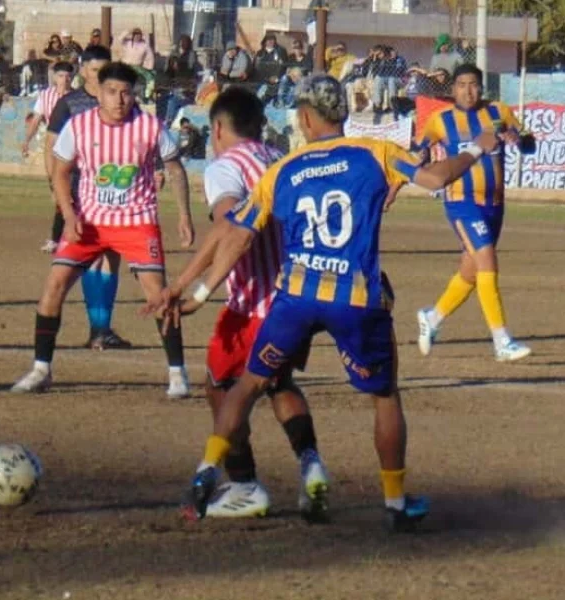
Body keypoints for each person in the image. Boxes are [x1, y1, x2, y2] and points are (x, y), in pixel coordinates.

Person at [148, 74, 497, 530]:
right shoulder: (376, 153)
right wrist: (476, 148)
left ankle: (203, 477)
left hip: (294, 297)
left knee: (248, 386)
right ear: (343, 114)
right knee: (385, 396)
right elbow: (433, 179)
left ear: (305, 118)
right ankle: (395, 504)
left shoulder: (284, 169)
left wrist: (197, 292)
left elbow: (236, 233)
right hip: (355, 298)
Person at [168, 87, 330, 519]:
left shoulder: (224, 168)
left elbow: (229, 227)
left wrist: (195, 288)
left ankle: (244, 485)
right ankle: (312, 466)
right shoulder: (282, 159)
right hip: (297, 298)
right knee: (279, 384)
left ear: (217, 127)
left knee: (220, 386)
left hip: (252, 305)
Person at [12, 61, 195, 398]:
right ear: (99, 93)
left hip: (137, 222)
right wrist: (69, 215)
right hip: (91, 223)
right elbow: (61, 172)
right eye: (112, 92)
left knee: (158, 295)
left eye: (126, 92)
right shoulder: (79, 126)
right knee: (53, 286)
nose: (119, 99)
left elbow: (174, 168)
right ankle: (41, 369)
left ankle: (177, 374)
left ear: (134, 94)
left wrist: (184, 215)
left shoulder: (150, 126)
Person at [415, 64, 533, 362]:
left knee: (471, 270)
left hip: (494, 204)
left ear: (482, 87)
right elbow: (418, 151)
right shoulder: (440, 120)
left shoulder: (499, 112)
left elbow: (529, 142)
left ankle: (433, 318)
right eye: (462, 84)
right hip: (460, 202)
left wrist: (516, 139)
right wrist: (420, 159)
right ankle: (501, 340)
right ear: (452, 89)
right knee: (487, 258)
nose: (468, 90)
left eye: (473, 84)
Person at [34, 45, 132, 351]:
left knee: (110, 259)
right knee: (90, 258)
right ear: (83, 69)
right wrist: (55, 186)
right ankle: (98, 327)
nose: (99, 76)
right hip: (78, 192)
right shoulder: (70, 104)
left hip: (114, 192)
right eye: (94, 70)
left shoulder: (122, 104)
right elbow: (52, 146)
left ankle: (102, 327)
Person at [22, 61, 74, 252]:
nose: (65, 80)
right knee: (56, 191)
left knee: (67, 192)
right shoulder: (45, 96)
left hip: (73, 149)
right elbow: (36, 119)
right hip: (52, 147)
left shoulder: (76, 97)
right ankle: (61, 236)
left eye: (68, 76)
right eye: (61, 76)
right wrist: (27, 140)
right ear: (54, 77)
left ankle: (58, 238)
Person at [162, 34, 198, 127]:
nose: (182, 45)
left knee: (172, 101)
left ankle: (168, 122)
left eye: (185, 42)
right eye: (181, 42)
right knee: (166, 98)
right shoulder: (175, 55)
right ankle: (165, 120)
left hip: (186, 91)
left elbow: (190, 69)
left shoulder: (191, 55)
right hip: (176, 87)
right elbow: (167, 72)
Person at [119, 28, 155, 100]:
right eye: (135, 34)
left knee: (151, 78)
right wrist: (129, 31)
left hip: (138, 67)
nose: (137, 36)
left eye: (138, 34)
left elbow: (150, 57)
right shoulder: (127, 43)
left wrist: (148, 68)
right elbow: (120, 38)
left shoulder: (144, 45)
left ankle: (146, 97)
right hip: (125, 66)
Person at [276, 39, 312, 108]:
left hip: (301, 81)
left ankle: (289, 105)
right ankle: (280, 101)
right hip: (291, 77)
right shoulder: (291, 57)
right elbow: (288, 70)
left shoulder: (306, 58)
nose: (297, 50)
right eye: (295, 48)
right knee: (284, 78)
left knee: (294, 89)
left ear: (302, 49)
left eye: (299, 48)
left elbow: (309, 73)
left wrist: (300, 77)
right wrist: (292, 74)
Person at [253, 33, 287, 105]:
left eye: (272, 40)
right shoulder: (260, 53)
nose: (270, 42)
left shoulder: (280, 51)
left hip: (276, 79)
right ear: (265, 41)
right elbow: (257, 68)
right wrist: (266, 78)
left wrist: (276, 77)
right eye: (268, 40)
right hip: (262, 79)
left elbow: (283, 66)